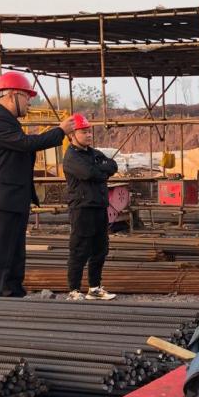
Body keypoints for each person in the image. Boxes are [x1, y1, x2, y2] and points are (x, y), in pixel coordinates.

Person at [0, 72, 75, 297]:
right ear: (13, 95)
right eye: (27, 97)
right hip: (0, 198)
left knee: (13, 250)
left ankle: (12, 292)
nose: (30, 102)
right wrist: (60, 131)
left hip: (12, 197)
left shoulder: (8, 121)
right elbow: (26, 143)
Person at [62, 113, 119, 301]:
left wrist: (100, 170)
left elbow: (113, 166)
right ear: (72, 135)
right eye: (84, 132)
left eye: (89, 131)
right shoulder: (71, 157)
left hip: (99, 207)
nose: (88, 135)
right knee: (79, 249)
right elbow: (88, 173)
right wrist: (101, 171)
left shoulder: (94, 153)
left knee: (100, 249)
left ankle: (94, 288)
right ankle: (74, 290)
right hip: (82, 209)